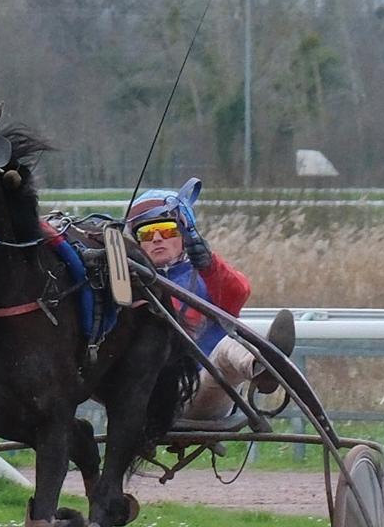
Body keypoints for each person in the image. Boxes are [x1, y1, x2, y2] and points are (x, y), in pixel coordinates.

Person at [126, 178, 295, 420]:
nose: (157, 238)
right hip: (144, 397)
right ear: (137, 242)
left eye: (167, 230)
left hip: (203, 389)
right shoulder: (127, 285)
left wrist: (209, 264)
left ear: (185, 235)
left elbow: (239, 294)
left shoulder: (207, 274)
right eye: (146, 233)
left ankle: (263, 369)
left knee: (228, 345)